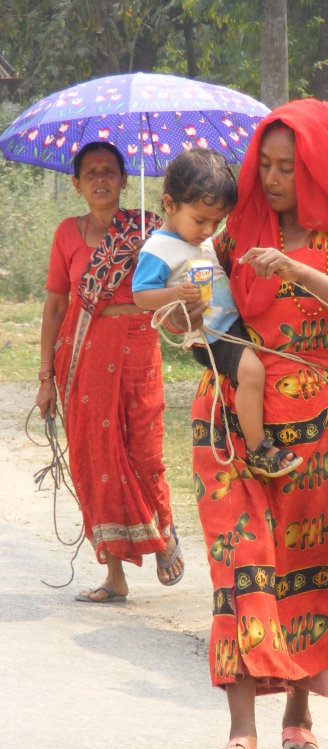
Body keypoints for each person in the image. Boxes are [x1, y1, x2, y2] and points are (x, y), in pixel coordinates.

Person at [182, 98, 328, 749]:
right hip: (228, 430)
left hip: (311, 433)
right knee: (243, 571)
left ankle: (297, 718)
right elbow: (192, 294)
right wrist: (184, 313)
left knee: (306, 575)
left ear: (321, 169)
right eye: (264, 165)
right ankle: (241, 736)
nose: (271, 180)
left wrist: (300, 271)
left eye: (287, 168)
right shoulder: (233, 234)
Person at [35, 141, 184, 603]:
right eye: (91, 172)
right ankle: (114, 576)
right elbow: (57, 304)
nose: (101, 179)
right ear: (77, 183)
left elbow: (186, 273)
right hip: (83, 354)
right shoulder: (67, 234)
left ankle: (163, 528)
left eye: (110, 171)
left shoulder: (149, 228)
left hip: (139, 347)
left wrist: (152, 248)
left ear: (124, 179)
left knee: (144, 454)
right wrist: (44, 376)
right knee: (97, 459)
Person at [133, 148, 301, 479]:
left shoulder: (197, 237)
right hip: (212, 335)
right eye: (201, 220)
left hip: (230, 324)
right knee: (251, 373)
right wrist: (173, 295)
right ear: (170, 205)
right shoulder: (158, 248)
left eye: (217, 222)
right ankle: (259, 450)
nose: (210, 229)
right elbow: (140, 295)